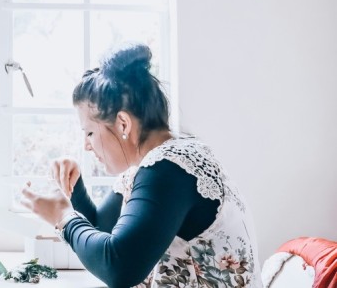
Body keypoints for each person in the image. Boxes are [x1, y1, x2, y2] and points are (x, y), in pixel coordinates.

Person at [21, 43, 261, 288]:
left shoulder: (170, 168)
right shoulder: (159, 163)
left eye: (90, 132)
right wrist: (76, 189)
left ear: (123, 123)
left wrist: (63, 217)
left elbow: (118, 266)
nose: (86, 145)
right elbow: (101, 230)